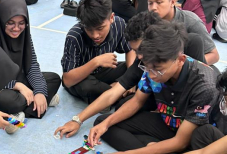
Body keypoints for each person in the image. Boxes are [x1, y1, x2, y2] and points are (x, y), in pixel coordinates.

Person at [88, 22, 224, 154]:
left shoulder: (204, 85)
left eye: (158, 71)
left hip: (191, 137)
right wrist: (106, 123)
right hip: (168, 123)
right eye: (147, 68)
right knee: (103, 122)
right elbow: (136, 102)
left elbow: (181, 142)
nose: (151, 75)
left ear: (180, 60)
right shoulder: (154, 64)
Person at [55, 11, 206, 138]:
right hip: (160, 105)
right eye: (136, 51)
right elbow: (115, 93)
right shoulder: (143, 60)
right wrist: (78, 119)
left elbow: (199, 85)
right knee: (111, 114)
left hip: (187, 113)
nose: (139, 57)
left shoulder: (192, 44)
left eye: (141, 49)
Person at [106, 71, 227, 154]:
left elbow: (183, 144)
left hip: (183, 142)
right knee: (205, 133)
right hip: (184, 137)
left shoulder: (204, 85)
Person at [0, 0, 61, 134]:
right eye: (10, 23)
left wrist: (40, 91)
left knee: (54, 78)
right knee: (9, 101)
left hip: (19, 78)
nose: (16, 29)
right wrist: (17, 85)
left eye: (21, 23)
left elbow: (32, 65)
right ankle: (33, 105)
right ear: (1, 19)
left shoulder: (23, 34)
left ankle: (21, 112)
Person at [61, 0, 136, 105]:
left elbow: (130, 50)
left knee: (137, 69)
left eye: (100, 28)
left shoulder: (119, 24)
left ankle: (113, 92)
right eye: (89, 29)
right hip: (81, 78)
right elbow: (67, 80)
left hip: (105, 71)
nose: (95, 35)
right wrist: (96, 62)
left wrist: (131, 77)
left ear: (111, 18)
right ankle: (119, 92)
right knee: (87, 87)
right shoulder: (74, 37)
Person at [148, 0, 220, 65]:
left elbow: (214, 56)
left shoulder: (191, 22)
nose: (153, 8)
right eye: (150, 3)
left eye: (159, 2)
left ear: (172, 2)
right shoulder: (146, 21)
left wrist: (185, 66)